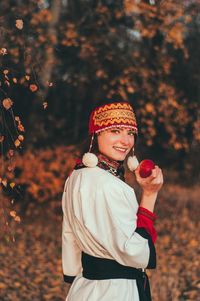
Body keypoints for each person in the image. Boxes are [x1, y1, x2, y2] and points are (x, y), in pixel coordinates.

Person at [62, 102, 163, 301]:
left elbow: (69, 234)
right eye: (115, 130)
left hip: (85, 288)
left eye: (130, 133)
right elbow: (135, 251)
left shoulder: (76, 176)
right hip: (115, 291)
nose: (126, 141)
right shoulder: (108, 184)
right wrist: (150, 195)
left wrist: (72, 272)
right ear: (96, 134)